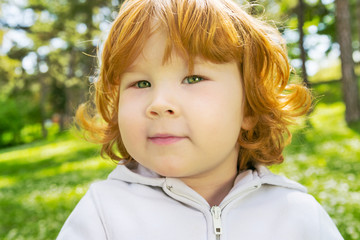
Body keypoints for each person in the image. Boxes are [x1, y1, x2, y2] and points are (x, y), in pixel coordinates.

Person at [57, 0, 343, 239]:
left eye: (193, 78)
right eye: (141, 83)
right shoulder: (103, 215)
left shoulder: (298, 215)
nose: (159, 104)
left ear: (249, 109)